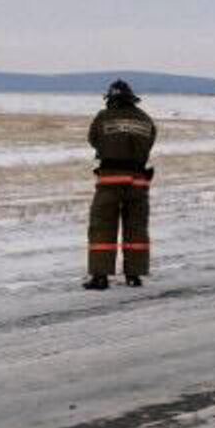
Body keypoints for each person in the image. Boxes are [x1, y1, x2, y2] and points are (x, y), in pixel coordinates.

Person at [84, 79, 156, 290]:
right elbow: (150, 142)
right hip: (138, 182)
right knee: (136, 229)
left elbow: (93, 139)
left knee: (102, 229)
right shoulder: (145, 119)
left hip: (110, 180)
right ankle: (134, 276)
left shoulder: (103, 117)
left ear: (111, 98)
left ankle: (100, 277)